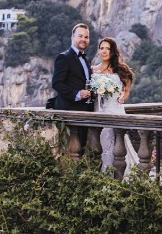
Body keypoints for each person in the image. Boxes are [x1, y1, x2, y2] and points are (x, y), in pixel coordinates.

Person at [91, 36, 138, 170]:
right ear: (98, 51)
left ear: (113, 52)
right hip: (98, 111)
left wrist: (123, 97)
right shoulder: (93, 70)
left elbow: (127, 90)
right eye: (101, 48)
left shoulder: (120, 70)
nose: (104, 51)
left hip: (115, 110)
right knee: (101, 146)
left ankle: (113, 176)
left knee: (115, 147)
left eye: (108, 49)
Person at [51, 22, 96, 154]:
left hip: (85, 112)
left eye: (86, 37)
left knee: (82, 150)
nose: (83, 39)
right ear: (73, 38)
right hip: (68, 112)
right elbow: (57, 83)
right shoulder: (64, 57)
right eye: (80, 36)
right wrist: (77, 94)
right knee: (68, 153)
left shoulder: (86, 59)